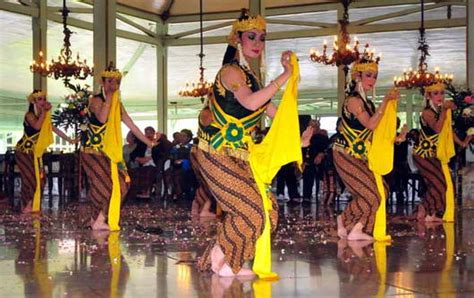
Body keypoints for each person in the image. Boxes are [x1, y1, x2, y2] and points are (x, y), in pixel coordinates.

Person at [193, 9, 294, 277]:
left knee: (268, 212)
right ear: (238, 39)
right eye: (251, 37)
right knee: (250, 210)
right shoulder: (231, 72)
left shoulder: (252, 77)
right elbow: (250, 102)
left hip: (242, 155)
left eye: (261, 38)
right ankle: (225, 259)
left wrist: (299, 133)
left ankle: (220, 254)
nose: (257, 43)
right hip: (215, 152)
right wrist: (285, 76)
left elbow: (274, 113)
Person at [333, 53, 403, 241]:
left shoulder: (368, 103)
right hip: (344, 153)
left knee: (382, 191)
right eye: (368, 75)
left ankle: (353, 224)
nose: (372, 79)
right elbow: (371, 124)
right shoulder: (354, 100)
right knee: (372, 195)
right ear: (357, 77)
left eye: (374, 76)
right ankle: (350, 223)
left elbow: (375, 132)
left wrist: (396, 138)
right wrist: (386, 102)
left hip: (361, 155)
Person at [81, 64, 158, 231]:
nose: (113, 85)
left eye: (116, 82)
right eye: (109, 81)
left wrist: (149, 142)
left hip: (109, 153)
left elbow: (132, 126)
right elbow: (102, 119)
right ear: (102, 82)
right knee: (103, 185)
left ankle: (98, 219)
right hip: (92, 152)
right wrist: (109, 97)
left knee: (123, 184)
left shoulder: (118, 104)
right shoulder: (94, 100)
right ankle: (98, 220)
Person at [413, 81, 471, 222]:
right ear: (428, 96)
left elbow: (447, 131)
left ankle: (429, 210)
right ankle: (426, 208)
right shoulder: (427, 112)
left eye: (442, 93)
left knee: (444, 183)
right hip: (423, 154)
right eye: (436, 93)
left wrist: (462, 142)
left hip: (435, 154)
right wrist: (445, 111)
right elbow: (438, 129)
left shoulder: (440, 111)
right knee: (440, 183)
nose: (440, 96)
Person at [15, 90, 75, 213]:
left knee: (41, 179)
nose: (43, 101)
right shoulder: (29, 115)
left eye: (44, 98)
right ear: (34, 102)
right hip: (24, 152)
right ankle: (26, 205)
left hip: (37, 153)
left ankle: (32, 204)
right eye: (40, 99)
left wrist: (70, 140)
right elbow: (37, 126)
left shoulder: (44, 116)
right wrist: (45, 112)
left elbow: (54, 129)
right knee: (29, 179)